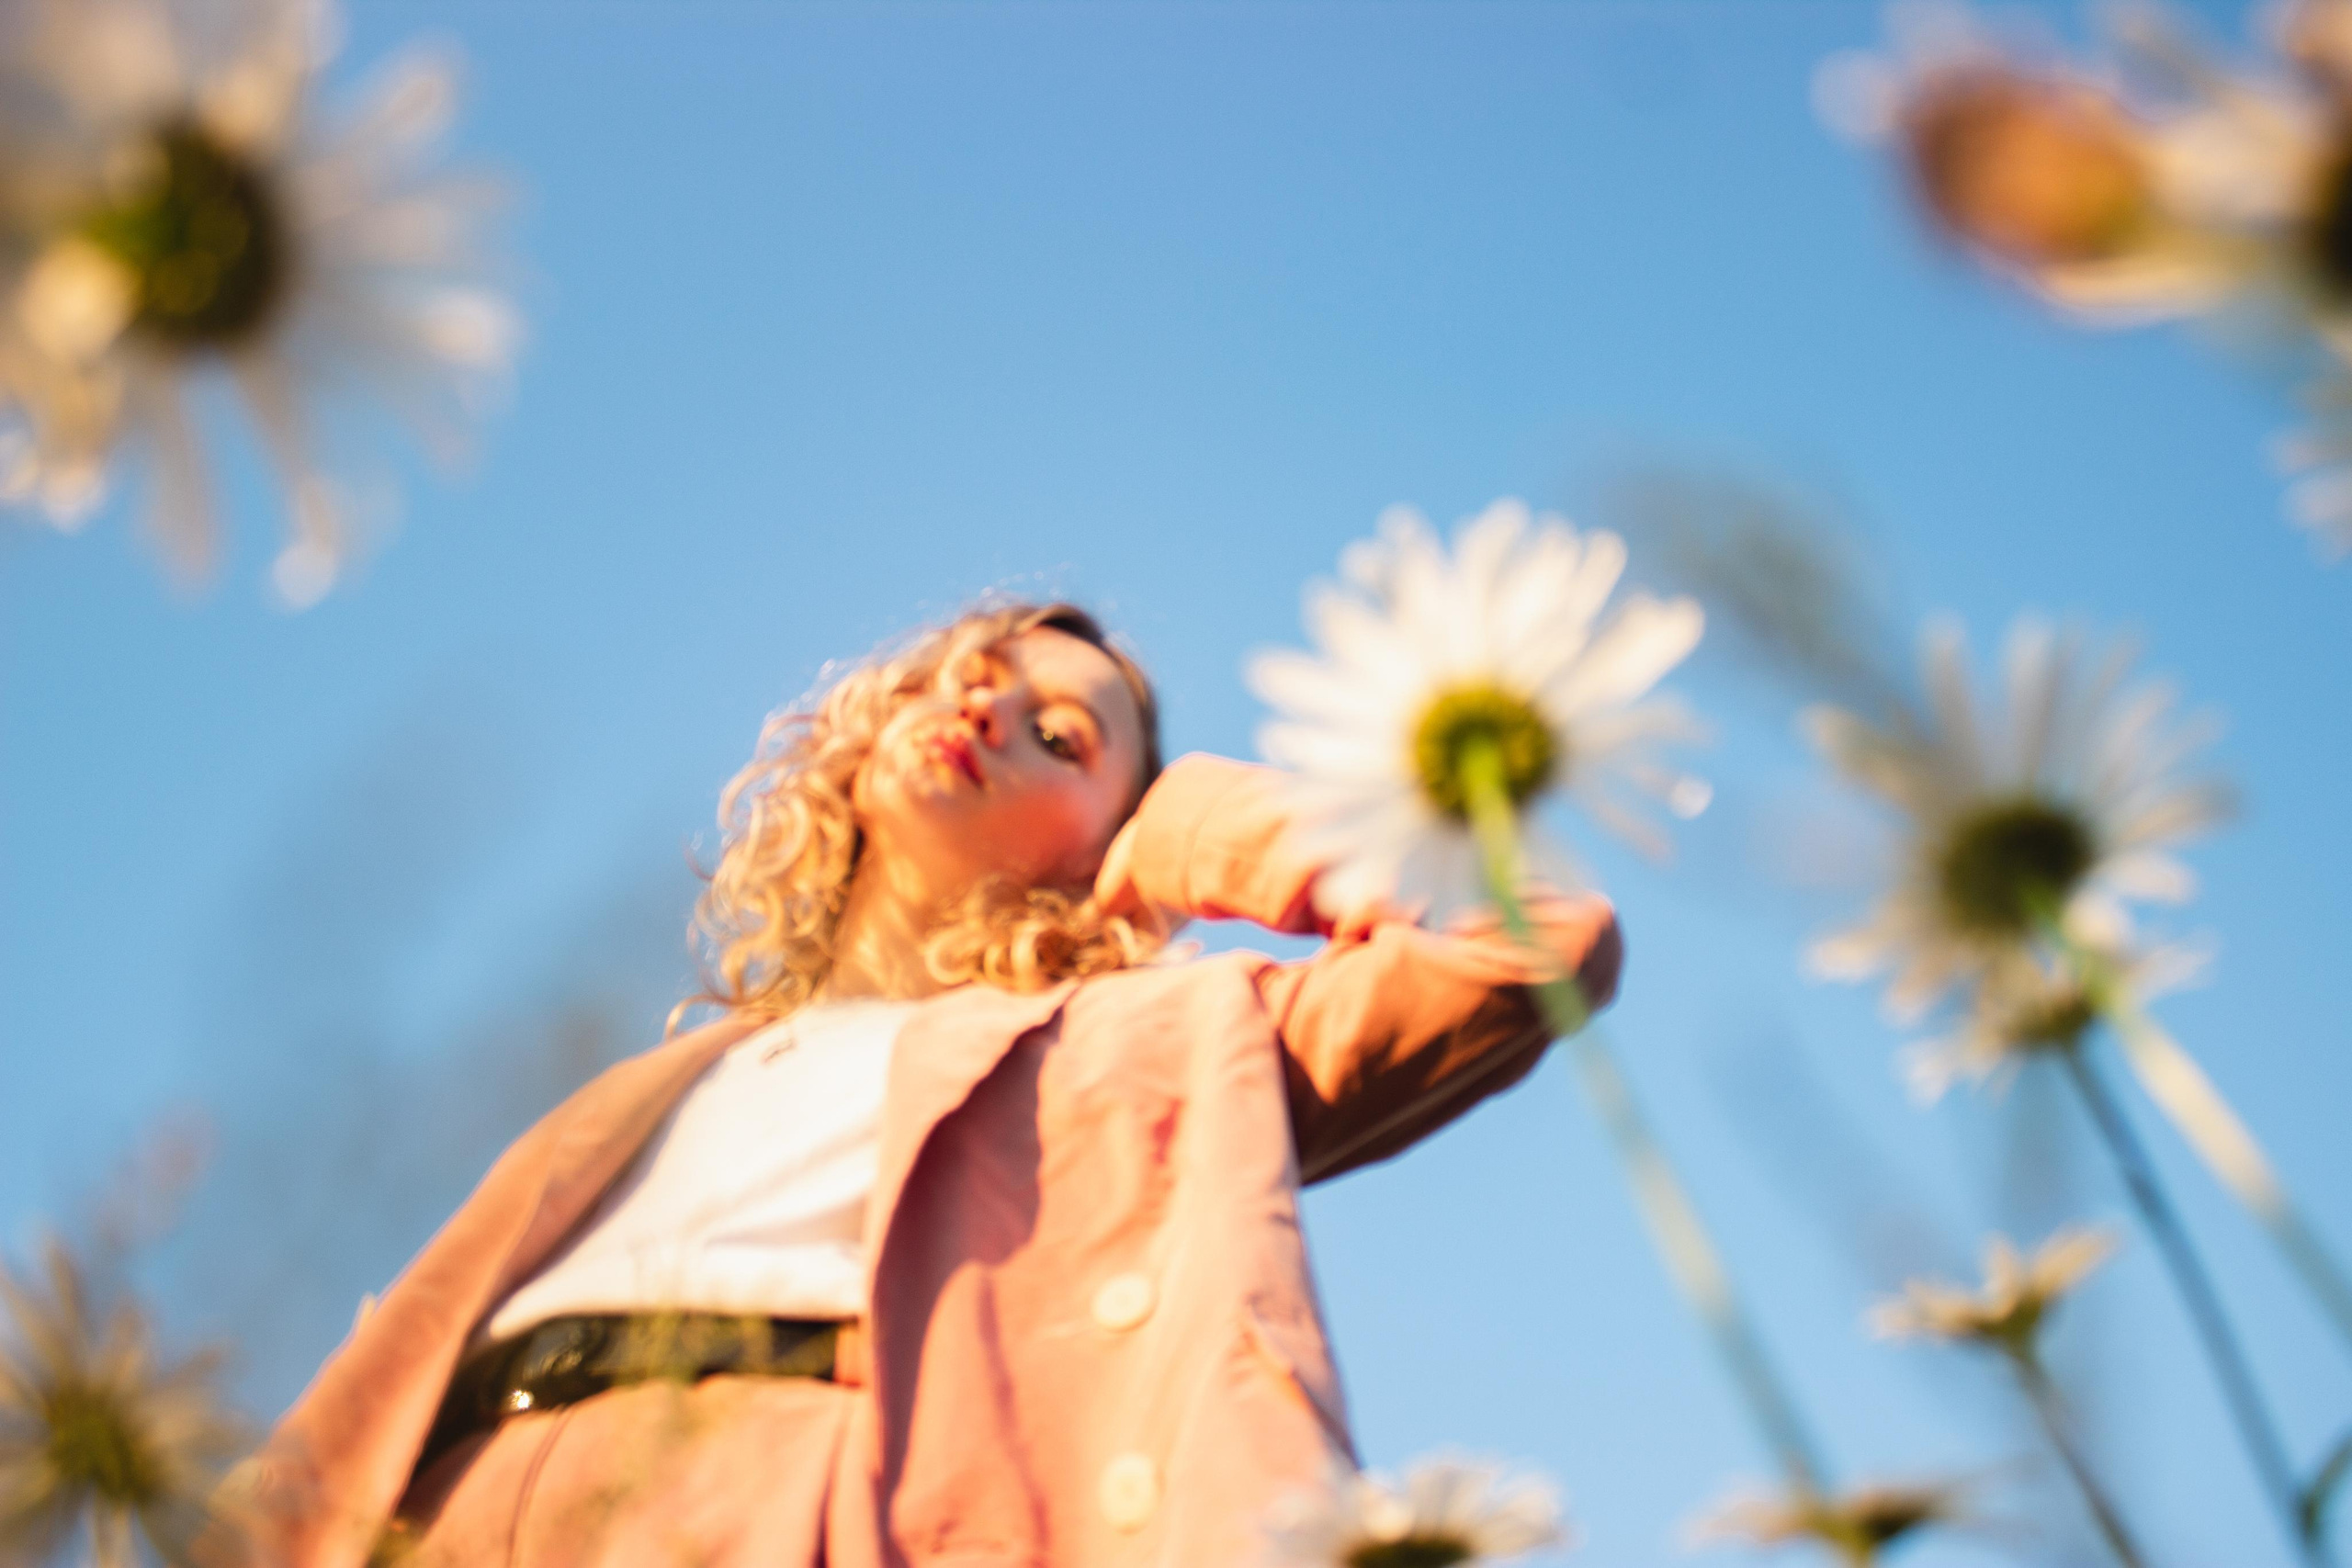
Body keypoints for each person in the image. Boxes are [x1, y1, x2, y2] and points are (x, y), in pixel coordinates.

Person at [221, 599, 1623, 1568]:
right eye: (971, 669)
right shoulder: (662, 1082)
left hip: (793, 1492)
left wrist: (1190, 830)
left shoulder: (1144, 1047)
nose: (991, 704)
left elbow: (1529, 942)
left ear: (1111, 849)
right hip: (440, 1507)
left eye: (1064, 740)